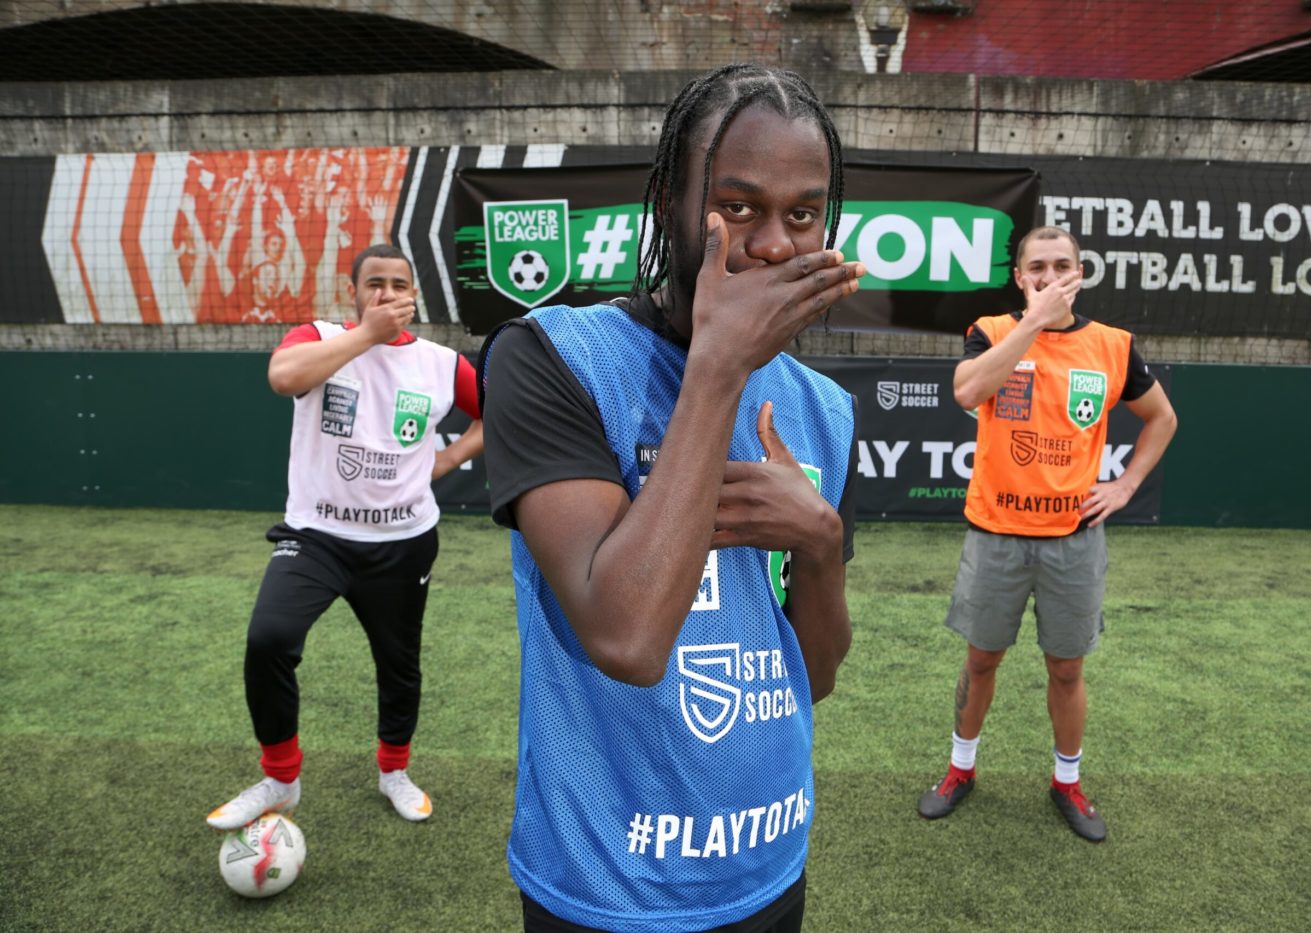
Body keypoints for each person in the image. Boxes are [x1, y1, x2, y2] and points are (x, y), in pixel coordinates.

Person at [478, 64, 865, 932]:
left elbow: (816, 675)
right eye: (737, 205)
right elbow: (626, 637)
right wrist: (718, 366)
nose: (775, 244)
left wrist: (819, 545)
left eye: (803, 214)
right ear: (667, 203)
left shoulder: (824, 410)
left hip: (768, 865)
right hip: (607, 886)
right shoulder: (553, 359)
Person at [207, 244, 483, 831]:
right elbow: (283, 377)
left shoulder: (440, 364)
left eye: (398, 285)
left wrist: (450, 457)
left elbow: (502, 409)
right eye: (374, 284)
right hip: (318, 537)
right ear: (353, 292)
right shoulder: (319, 337)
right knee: (269, 640)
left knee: (398, 663)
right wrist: (368, 336)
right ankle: (281, 779)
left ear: (414, 296)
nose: (387, 294)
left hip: (404, 542)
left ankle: (394, 772)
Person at [916, 226, 1178, 842]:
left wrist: (1125, 485)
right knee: (981, 660)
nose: (1050, 276)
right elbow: (967, 391)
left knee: (1066, 668)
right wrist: (1034, 322)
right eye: (1037, 266)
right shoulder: (992, 331)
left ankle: (1067, 782)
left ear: (1079, 274)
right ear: (1019, 276)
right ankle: (960, 769)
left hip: (1073, 539)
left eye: (1062, 266)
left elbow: (1162, 418)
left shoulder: (1113, 345)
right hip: (995, 534)